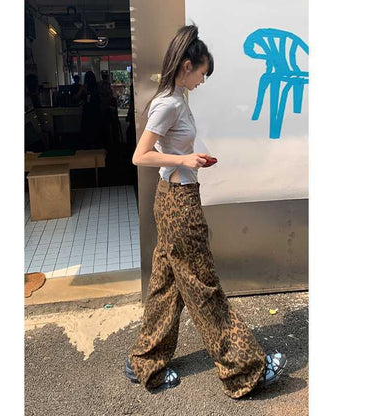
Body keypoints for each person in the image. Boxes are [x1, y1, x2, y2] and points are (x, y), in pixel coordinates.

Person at [124, 25, 287, 399]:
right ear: (187, 66)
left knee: (166, 286)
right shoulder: (168, 103)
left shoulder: (176, 97)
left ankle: (143, 361)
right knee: (203, 288)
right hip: (179, 206)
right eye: (201, 73)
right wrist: (184, 159)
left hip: (174, 199)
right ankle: (245, 369)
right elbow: (140, 155)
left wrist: (188, 159)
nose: (202, 80)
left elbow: (166, 150)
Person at [79, 71, 101, 149]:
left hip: (88, 110)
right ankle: (95, 144)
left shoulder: (85, 88)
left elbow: (78, 97)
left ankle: (88, 144)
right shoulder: (97, 87)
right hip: (95, 110)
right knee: (95, 128)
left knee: (87, 128)